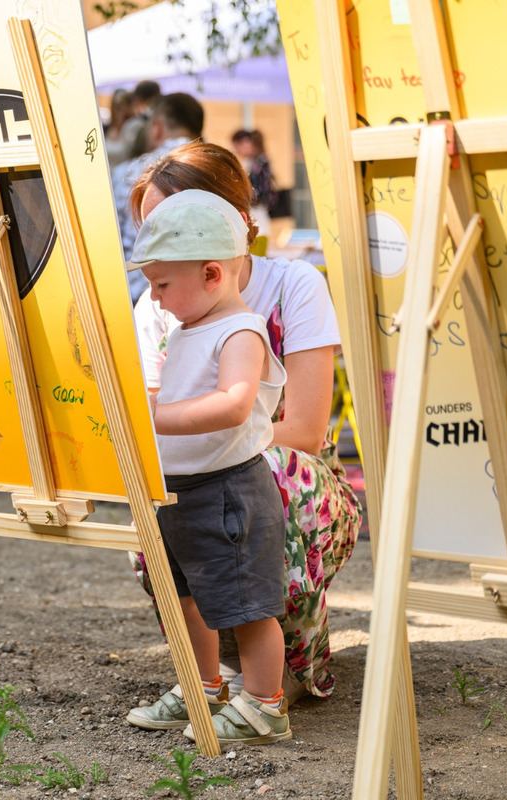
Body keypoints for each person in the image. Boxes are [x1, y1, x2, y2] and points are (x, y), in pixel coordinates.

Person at [129, 141, 362, 705]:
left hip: (291, 480)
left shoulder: (291, 287)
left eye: (173, 221)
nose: (157, 240)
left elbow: (305, 430)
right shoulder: (158, 303)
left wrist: (181, 429)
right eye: (149, 225)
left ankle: (275, 674)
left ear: (230, 221)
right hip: (200, 476)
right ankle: (207, 673)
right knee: (161, 504)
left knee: (259, 471)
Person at [124, 188, 291, 746]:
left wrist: (154, 418)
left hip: (229, 491)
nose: (156, 297)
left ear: (214, 273)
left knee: (247, 605)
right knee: (186, 596)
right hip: (183, 490)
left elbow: (234, 404)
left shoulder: (240, 331)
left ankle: (266, 705)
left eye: (163, 284)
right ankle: (205, 685)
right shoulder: (188, 327)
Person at [112, 92, 204, 303]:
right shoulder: (216, 169)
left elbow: (113, 241)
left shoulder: (127, 173)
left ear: (157, 127)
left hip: (136, 294)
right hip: (201, 295)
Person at [231, 129, 275, 238]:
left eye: (238, 146)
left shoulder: (258, 162)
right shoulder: (255, 161)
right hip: (257, 208)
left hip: (256, 208)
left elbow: (255, 188)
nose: (237, 150)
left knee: (258, 236)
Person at [103, 88, 136, 168]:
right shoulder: (105, 129)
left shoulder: (133, 128)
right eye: (117, 106)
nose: (120, 111)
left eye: (123, 106)